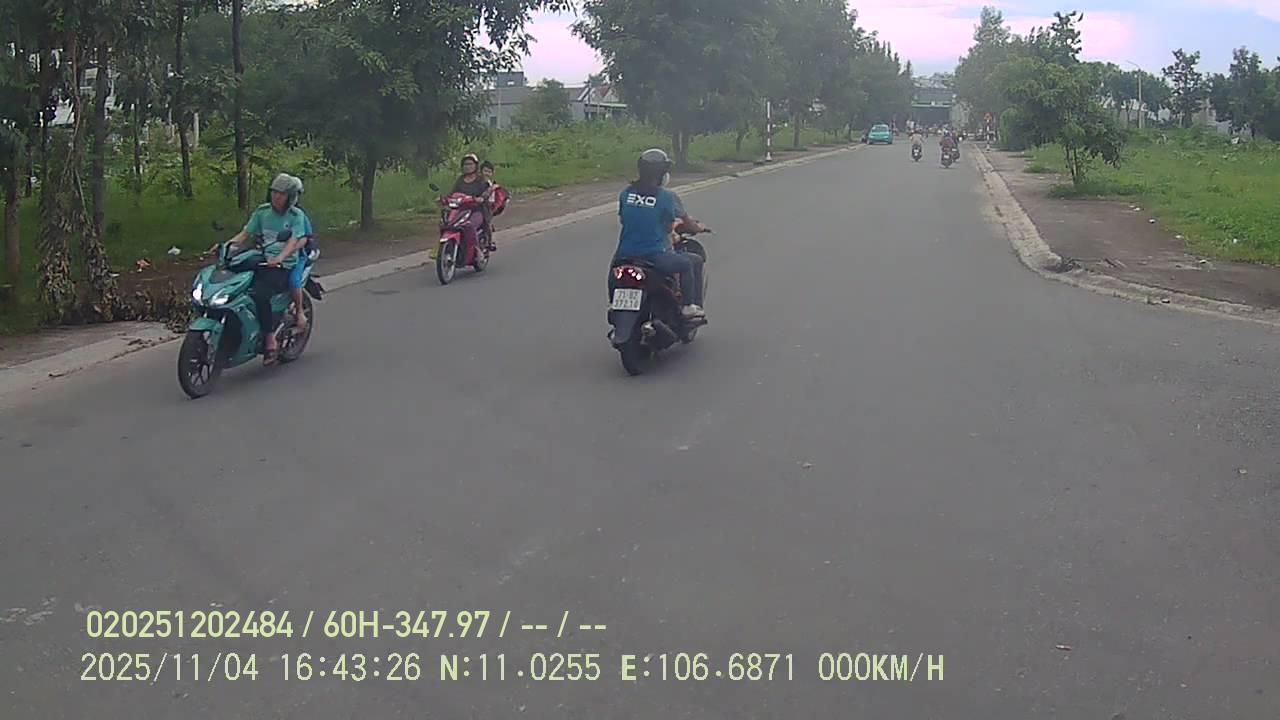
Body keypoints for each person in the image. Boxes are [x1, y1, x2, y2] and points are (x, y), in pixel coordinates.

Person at [615, 148, 706, 321]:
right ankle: (688, 306)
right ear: (662, 173)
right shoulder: (665, 197)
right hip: (653, 255)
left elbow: (623, 220)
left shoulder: (626, 193)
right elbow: (668, 228)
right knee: (688, 264)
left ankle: (615, 302)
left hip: (624, 255)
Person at [227, 173, 307, 364]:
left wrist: (280, 257)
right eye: (274, 192)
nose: (276, 197)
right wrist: (227, 246)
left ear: (290, 197)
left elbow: (294, 241)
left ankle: (270, 339)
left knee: (260, 294)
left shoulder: (296, 216)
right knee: (233, 278)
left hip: (283, 266)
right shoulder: (262, 212)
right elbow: (245, 234)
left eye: (281, 194)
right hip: (263, 259)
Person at [286, 175, 316, 331]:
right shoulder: (267, 212)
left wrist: (289, 250)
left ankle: (299, 313)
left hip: (297, 256)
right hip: (272, 255)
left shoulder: (299, 215)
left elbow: (306, 238)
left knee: (293, 280)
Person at [451, 153, 495, 252]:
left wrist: (481, 198)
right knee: (446, 224)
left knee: (469, 225)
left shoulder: (481, 180)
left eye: (470, 164)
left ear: (476, 166)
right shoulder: (460, 180)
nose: (468, 167)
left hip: (476, 211)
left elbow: (487, 192)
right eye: (465, 164)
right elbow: (453, 193)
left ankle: (476, 250)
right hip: (461, 210)